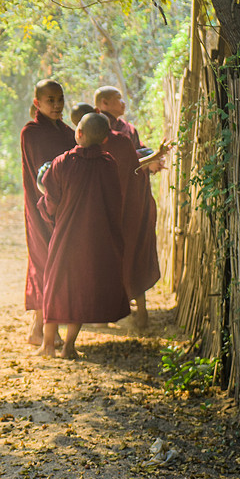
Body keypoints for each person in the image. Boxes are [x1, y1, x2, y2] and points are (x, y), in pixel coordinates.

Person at [36, 112, 130, 358]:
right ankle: (69, 346)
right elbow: (114, 202)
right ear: (106, 140)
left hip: (66, 234)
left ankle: (47, 346)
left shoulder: (63, 162)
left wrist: (46, 213)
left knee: (56, 286)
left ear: (78, 133)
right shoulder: (109, 164)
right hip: (96, 239)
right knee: (79, 290)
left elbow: (51, 200)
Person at [72, 102, 157, 329]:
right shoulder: (119, 143)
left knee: (105, 262)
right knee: (130, 258)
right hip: (123, 211)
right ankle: (140, 314)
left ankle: (104, 317)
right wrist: (155, 156)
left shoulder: (74, 157)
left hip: (101, 216)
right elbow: (134, 171)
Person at [92, 87, 170, 328]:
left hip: (134, 200)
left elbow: (134, 159)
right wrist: (152, 157)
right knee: (114, 255)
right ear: (104, 103)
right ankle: (108, 313)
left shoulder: (127, 130)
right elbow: (125, 161)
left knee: (133, 251)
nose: (123, 103)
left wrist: (152, 161)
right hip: (111, 203)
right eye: (119, 99)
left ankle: (139, 314)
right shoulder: (100, 131)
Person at [20, 79, 76, 346]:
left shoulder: (68, 132)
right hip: (42, 206)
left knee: (55, 264)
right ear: (37, 103)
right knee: (45, 263)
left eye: (59, 99)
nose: (56, 105)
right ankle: (43, 330)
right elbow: (41, 174)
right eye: (50, 100)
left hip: (65, 208)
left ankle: (38, 329)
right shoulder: (31, 132)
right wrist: (54, 202)